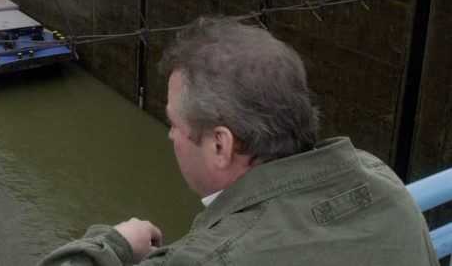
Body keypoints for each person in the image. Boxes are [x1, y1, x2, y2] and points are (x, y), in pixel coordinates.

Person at [40, 17, 438, 266]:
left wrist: (115, 245)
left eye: (174, 124)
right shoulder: (380, 180)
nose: (170, 136)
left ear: (220, 145)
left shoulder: (211, 257)